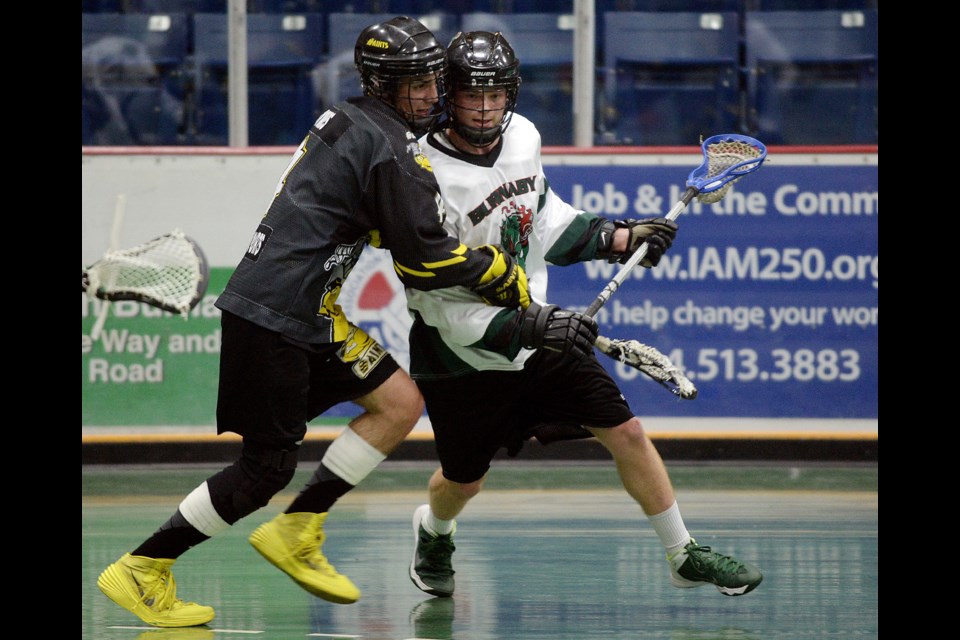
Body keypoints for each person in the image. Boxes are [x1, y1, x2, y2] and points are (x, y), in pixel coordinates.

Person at [96, 17, 532, 629]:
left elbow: (348, 210)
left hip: (303, 313)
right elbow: (428, 261)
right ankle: (143, 568)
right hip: (279, 316)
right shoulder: (393, 149)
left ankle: (300, 525)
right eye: (417, 83)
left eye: (435, 78)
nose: (434, 93)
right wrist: (495, 272)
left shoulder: (346, 119)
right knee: (266, 468)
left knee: (399, 403)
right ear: (382, 84)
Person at [405, 31, 763, 600]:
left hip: (541, 334)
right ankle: (435, 531)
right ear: (447, 95)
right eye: (472, 96)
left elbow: (542, 217)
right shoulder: (419, 173)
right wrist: (532, 323)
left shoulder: (523, 138)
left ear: (511, 95)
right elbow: (439, 300)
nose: (484, 108)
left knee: (626, 431)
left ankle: (681, 553)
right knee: (462, 481)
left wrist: (618, 236)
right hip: (462, 356)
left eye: (495, 96)